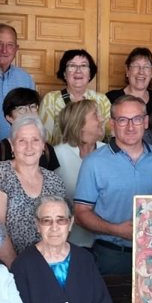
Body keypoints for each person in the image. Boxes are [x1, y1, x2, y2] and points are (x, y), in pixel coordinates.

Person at [73, 95, 152, 277]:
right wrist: (116, 230)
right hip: (111, 255)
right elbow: (80, 214)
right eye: (122, 120)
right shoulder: (94, 163)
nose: (130, 127)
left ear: (146, 122)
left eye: (136, 119)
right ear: (112, 124)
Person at [0, 115, 67, 267]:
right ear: (12, 145)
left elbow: (61, 227)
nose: (29, 147)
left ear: (43, 145)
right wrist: (17, 267)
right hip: (8, 268)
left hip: (47, 266)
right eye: (22, 141)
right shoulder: (0, 172)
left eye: (35, 140)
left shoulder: (54, 181)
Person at [53, 99, 106, 249]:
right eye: (95, 115)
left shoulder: (109, 152)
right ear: (79, 123)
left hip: (106, 242)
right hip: (69, 242)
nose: (102, 119)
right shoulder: (57, 155)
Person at [39, 49, 112, 143]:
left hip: (95, 152)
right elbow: (43, 138)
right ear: (64, 74)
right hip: (60, 152)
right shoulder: (51, 99)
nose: (78, 71)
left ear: (90, 74)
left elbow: (110, 134)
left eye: (83, 66)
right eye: (72, 66)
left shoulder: (102, 99)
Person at [0, 87, 60, 173]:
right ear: (9, 117)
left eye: (32, 106)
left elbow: (53, 179)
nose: (29, 112)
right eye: (21, 108)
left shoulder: (47, 149)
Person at [0, 23, 36, 145]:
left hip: (18, 150)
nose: (4, 50)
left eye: (10, 45)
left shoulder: (25, 78)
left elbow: (32, 118)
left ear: (16, 49)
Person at [107, 46, 152, 114]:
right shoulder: (111, 98)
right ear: (127, 71)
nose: (141, 72)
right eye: (136, 66)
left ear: (151, 73)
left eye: (146, 67)